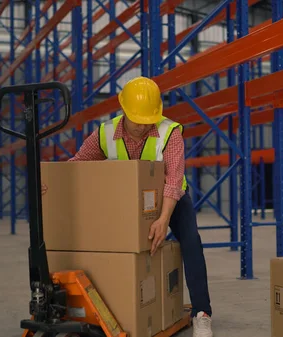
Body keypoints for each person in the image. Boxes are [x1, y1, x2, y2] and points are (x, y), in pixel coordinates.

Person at [68, 76, 213, 337]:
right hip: (126, 204)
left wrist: (163, 218)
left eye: (148, 121)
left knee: (191, 243)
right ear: (123, 110)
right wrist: (53, 183)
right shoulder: (105, 133)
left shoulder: (170, 132)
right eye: (137, 120)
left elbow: (173, 181)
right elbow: (78, 165)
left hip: (172, 201)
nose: (141, 127)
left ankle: (202, 314)